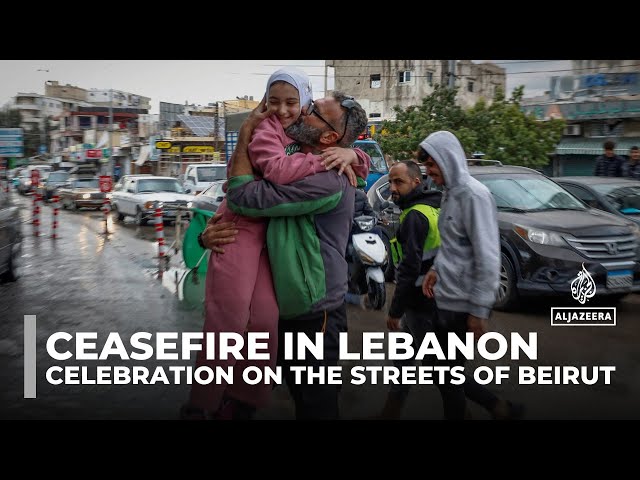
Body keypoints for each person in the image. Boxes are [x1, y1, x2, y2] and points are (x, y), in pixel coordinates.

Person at [182, 68, 370, 420]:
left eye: (312, 109)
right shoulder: (296, 147)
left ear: (329, 139)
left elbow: (243, 197)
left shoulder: (328, 179)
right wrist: (208, 234)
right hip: (279, 305)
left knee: (315, 407)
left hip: (314, 315)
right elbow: (245, 210)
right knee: (242, 396)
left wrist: (244, 136)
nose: (302, 110)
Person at [377, 160, 522, 420]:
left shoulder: (414, 217)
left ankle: (498, 406)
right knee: (405, 363)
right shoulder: (435, 207)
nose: (392, 187)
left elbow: (409, 270)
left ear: (415, 182)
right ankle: (390, 412)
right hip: (433, 300)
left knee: (442, 372)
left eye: (398, 181)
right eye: (390, 181)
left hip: (425, 304)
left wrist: (394, 311)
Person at [418, 130, 524, 421]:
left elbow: (488, 255)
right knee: (440, 369)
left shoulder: (475, 196)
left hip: (462, 304)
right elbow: (453, 244)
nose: (429, 172)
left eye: (432, 165)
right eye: (427, 166)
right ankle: (498, 407)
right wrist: (435, 270)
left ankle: (495, 407)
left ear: (448, 160)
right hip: (445, 297)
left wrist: (479, 309)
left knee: (446, 373)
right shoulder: (450, 194)